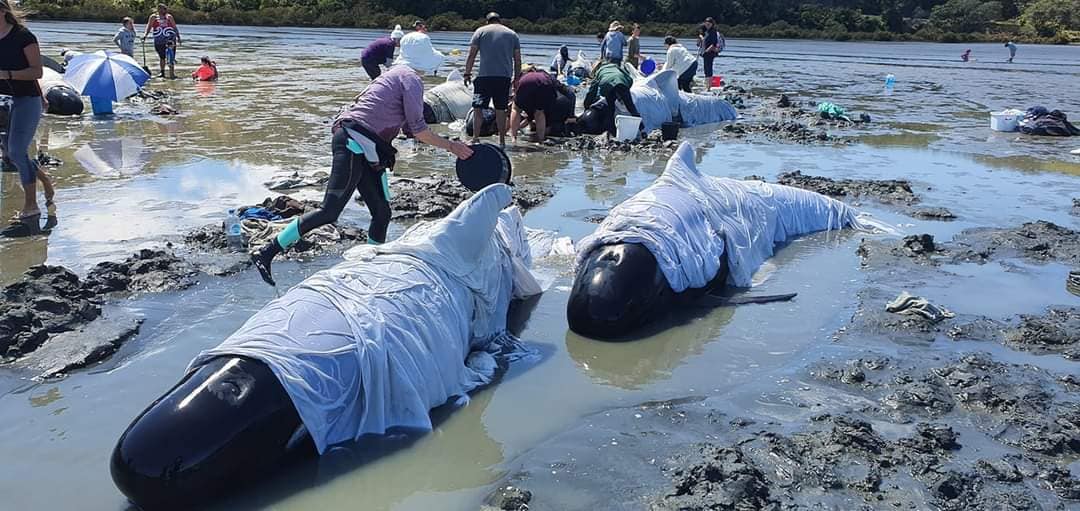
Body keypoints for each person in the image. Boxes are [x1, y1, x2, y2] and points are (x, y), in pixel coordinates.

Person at [250, 34, 474, 287]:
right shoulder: (410, 78)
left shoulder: (395, 74)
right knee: (329, 211)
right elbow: (420, 131)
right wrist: (453, 146)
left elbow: (410, 130)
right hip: (353, 141)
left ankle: (369, 269)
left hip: (364, 144)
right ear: (424, 59)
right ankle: (266, 252)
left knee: (382, 211)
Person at [0, 0, 57, 236]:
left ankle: (31, 206)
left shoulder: (24, 36)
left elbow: (37, 71)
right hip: (2, 102)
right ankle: (46, 184)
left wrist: (8, 74)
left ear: (3, 11)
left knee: (16, 150)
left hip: (26, 100)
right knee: (11, 150)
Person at [464, 12, 521, 147]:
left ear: (487, 21)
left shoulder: (480, 31)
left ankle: (475, 138)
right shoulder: (512, 34)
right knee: (501, 110)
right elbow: (517, 60)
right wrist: (517, 78)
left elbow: (471, 55)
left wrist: (467, 73)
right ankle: (501, 141)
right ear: (499, 21)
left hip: (484, 77)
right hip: (503, 78)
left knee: (478, 108)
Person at [583, 62, 639, 136]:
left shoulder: (599, 72)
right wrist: (624, 92)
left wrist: (586, 105)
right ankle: (642, 129)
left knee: (611, 109)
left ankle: (611, 131)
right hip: (622, 82)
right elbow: (629, 78)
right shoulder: (615, 66)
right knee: (631, 108)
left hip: (607, 85)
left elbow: (592, 91)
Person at [510, 66, 558, 144]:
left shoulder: (524, 75)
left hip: (527, 81)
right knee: (539, 112)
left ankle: (513, 137)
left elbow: (515, 87)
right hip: (547, 83)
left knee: (516, 108)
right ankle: (540, 139)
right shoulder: (543, 73)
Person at [142, 3, 180, 79]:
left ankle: (171, 74)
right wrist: (145, 35)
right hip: (158, 40)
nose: (161, 10)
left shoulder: (169, 17)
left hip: (170, 39)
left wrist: (178, 37)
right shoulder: (153, 17)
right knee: (162, 57)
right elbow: (149, 27)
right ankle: (162, 72)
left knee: (171, 56)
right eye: (159, 8)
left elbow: (174, 27)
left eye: (163, 8)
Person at [700, 17, 724, 91]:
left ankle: (708, 87)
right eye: (706, 23)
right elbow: (703, 41)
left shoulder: (713, 32)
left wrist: (707, 51)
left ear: (712, 24)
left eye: (709, 24)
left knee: (708, 69)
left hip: (710, 53)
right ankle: (707, 85)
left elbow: (713, 44)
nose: (707, 25)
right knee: (706, 69)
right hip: (706, 53)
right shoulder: (706, 31)